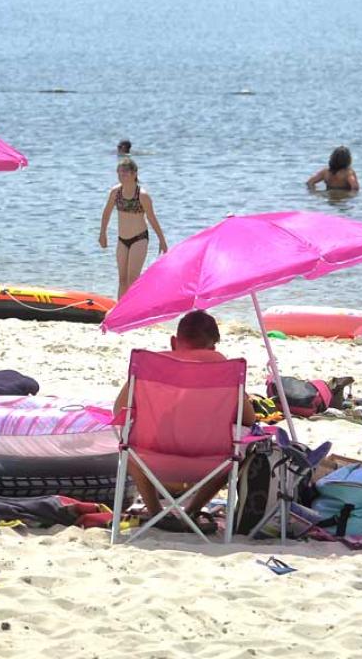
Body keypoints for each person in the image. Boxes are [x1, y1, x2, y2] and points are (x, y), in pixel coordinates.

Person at [112, 311, 257, 526]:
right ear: (213, 348)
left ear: (173, 341)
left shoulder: (149, 366)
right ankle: (192, 511)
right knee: (236, 455)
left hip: (150, 460)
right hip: (211, 464)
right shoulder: (224, 371)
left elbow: (118, 411)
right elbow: (249, 420)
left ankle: (155, 512)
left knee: (127, 447)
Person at [99, 157, 169, 297]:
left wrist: (162, 240)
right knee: (122, 279)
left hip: (139, 239)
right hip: (122, 239)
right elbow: (106, 213)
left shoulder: (142, 195)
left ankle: (135, 307)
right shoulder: (115, 192)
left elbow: (151, 218)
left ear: (134, 174)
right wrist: (103, 233)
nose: (121, 175)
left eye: (125, 173)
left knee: (132, 279)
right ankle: (120, 308)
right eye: (119, 172)